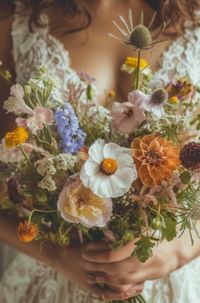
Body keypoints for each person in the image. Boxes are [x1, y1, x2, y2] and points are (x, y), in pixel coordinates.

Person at [0, 0, 200, 302]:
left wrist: (179, 251)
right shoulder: (15, 23)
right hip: (53, 285)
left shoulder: (194, 22)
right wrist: (57, 254)